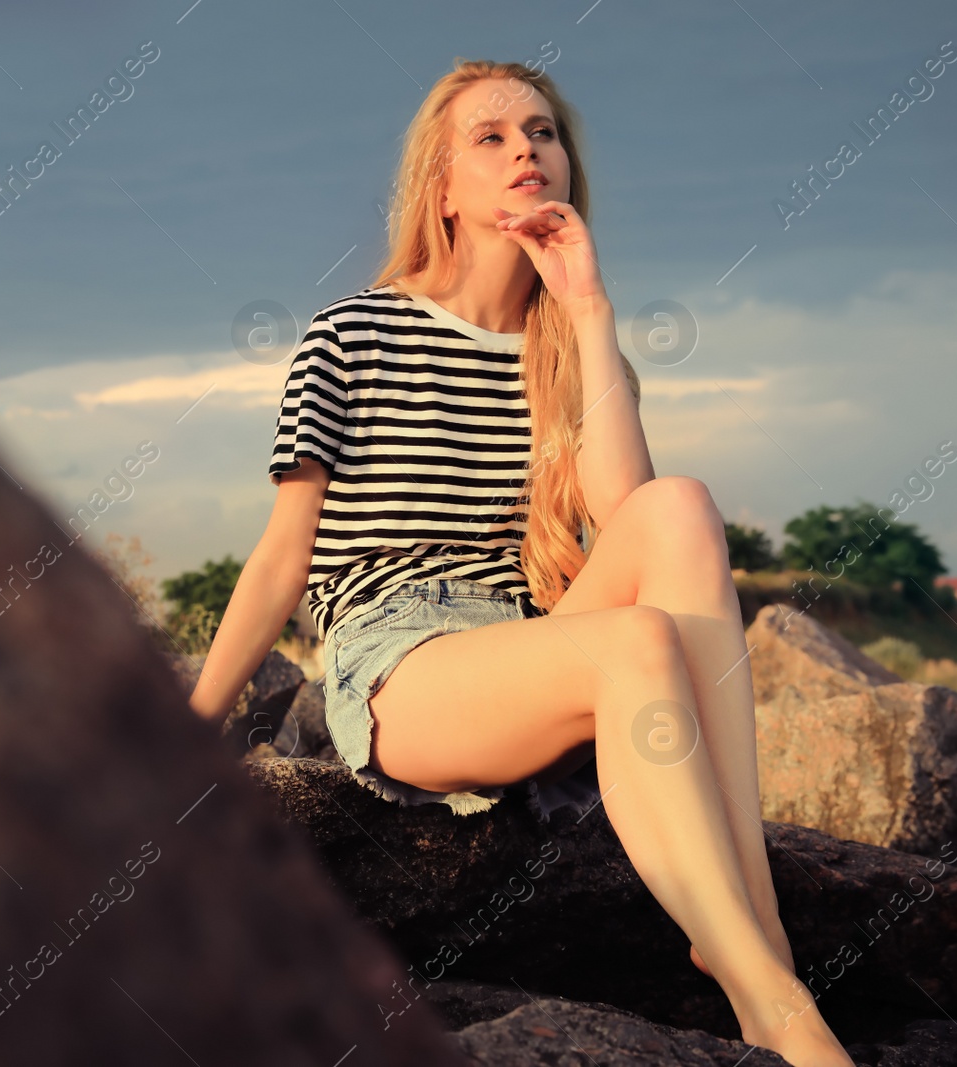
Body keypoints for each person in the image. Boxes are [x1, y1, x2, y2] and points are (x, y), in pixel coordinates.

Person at [190, 58, 855, 1067]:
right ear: (442, 187)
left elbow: (631, 525)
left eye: (542, 133)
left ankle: (749, 939)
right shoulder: (351, 333)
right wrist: (186, 731)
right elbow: (283, 556)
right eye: (491, 138)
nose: (525, 152)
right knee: (630, 642)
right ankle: (776, 1000)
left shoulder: (566, 343)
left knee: (679, 504)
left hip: (527, 638)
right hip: (399, 657)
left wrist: (587, 309)